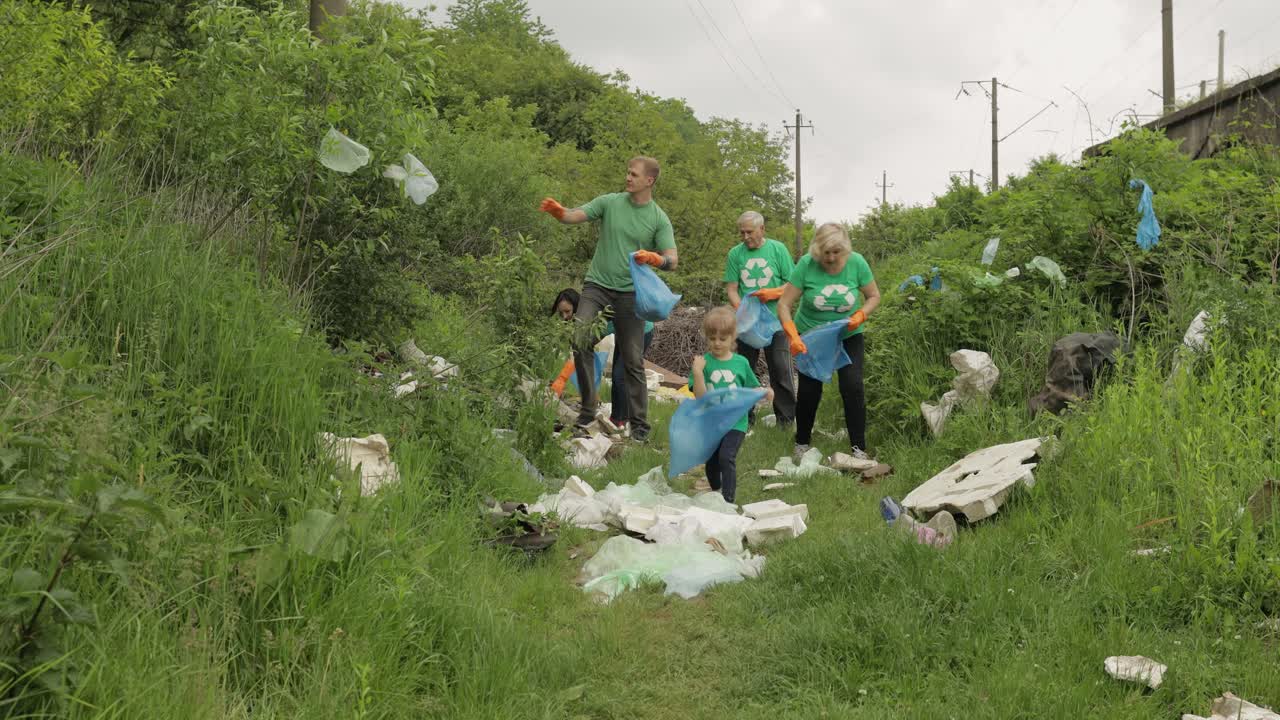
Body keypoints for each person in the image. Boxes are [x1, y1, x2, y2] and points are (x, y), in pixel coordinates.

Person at [539, 156, 678, 442]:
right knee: (579, 337)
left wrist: (656, 258)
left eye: (634, 174)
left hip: (630, 293)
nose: (628, 178)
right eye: (627, 172)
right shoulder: (611, 202)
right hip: (597, 286)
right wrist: (559, 213)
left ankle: (639, 427)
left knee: (632, 360)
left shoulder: (657, 218)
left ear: (649, 181)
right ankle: (588, 411)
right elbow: (575, 215)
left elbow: (672, 259)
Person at [776, 222, 881, 458]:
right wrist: (792, 336)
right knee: (810, 390)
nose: (831, 258)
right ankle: (802, 442)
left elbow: (874, 296)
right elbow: (784, 304)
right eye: (826, 253)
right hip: (812, 336)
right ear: (817, 250)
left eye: (836, 253)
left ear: (845, 250)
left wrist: (861, 314)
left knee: (852, 386)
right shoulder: (806, 264)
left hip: (848, 334)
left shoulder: (857, 262)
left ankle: (858, 448)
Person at [688, 307, 773, 504]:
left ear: (733, 337)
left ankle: (728, 501)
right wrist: (699, 373)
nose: (717, 343)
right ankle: (716, 489)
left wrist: (765, 391)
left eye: (722, 339)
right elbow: (700, 396)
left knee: (727, 457)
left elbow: (751, 389)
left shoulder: (741, 363)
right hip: (710, 423)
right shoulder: (703, 363)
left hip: (736, 422)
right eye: (712, 338)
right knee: (712, 461)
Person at [723, 210, 797, 426]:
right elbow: (732, 289)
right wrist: (742, 310)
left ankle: (786, 420)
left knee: (781, 370)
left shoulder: (778, 249)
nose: (745, 237)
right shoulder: (735, 254)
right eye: (742, 233)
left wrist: (771, 294)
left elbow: (792, 285)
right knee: (744, 369)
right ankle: (745, 419)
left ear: (762, 229)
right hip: (747, 324)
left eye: (750, 232)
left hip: (776, 320)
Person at [548, 288, 655, 431]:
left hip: (641, 329)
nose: (564, 316)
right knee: (619, 376)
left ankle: (620, 420)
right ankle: (619, 418)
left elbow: (584, 347)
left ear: (577, 306)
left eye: (567, 311)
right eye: (561, 313)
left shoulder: (594, 316)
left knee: (619, 376)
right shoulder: (582, 319)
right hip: (622, 331)